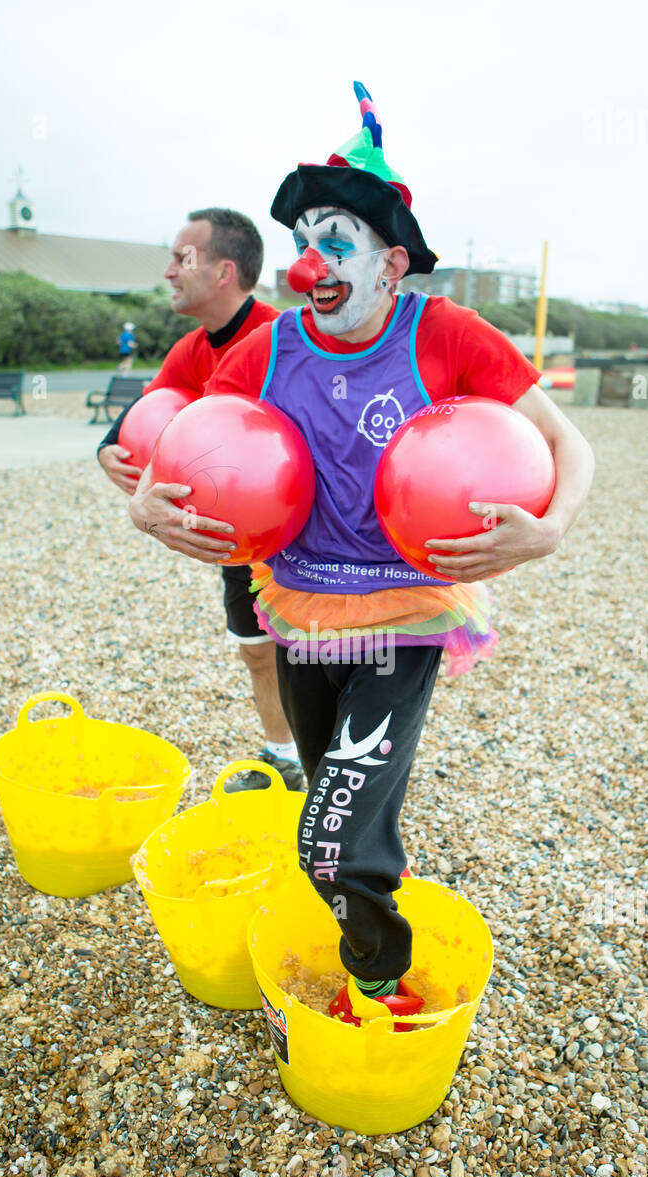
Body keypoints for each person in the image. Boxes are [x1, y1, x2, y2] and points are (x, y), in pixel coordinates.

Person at [130, 85, 595, 1028]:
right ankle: (371, 869)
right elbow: (194, 444)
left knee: (329, 835)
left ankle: (380, 983)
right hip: (298, 607)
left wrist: (551, 529)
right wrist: (147, 503)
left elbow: (568, 445)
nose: (309, 264)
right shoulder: (267, 349)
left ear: (391, 262)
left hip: (405, 614)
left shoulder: (449, 333)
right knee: (342, 802)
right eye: (304, 243)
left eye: (332, 241)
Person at [98, 209, 303, 791]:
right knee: (257, 649)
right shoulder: (191, 349)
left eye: (181, 257)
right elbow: (146, 414)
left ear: (224, 272)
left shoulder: (288, 336)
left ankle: (336, 769)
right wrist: (105, 450)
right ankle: (282, 757)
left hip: (301, 528)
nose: (168, 271)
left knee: (316, 655)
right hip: (235, 532)